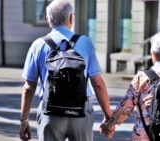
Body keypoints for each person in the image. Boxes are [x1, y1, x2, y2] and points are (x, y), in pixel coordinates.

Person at [19, 0, 114, 141]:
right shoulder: (85, 43)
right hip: (81, 112)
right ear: (71, 18)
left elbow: (29, 87)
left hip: (50, 113)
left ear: (47, 19)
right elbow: (98, 83)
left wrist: (24, 120)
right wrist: (108, 117)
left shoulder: (38, 45)